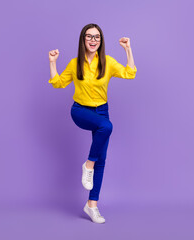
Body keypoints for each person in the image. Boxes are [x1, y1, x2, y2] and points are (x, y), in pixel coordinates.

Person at [48, 23, 137, 223]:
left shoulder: (107, 62)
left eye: (97, 37)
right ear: (83, 40)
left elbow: (130, 73)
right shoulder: (74, 63)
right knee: (107, 127)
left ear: (101, 41)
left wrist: (128, 49)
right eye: (89, 37)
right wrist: (52, 62)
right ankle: (87, 165)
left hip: (102, 110)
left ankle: (92, 205)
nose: (93, 40)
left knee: (102, 160)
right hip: (80, 110)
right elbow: (58, 83)